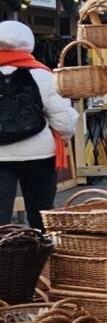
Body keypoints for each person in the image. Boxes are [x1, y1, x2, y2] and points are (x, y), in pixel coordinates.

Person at [0, 21, 77, 231]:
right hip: (39, 154)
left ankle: (5, 259)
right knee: (41, 212)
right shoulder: (43, 75)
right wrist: (66, 135)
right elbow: (62, 121)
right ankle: (40, 257)